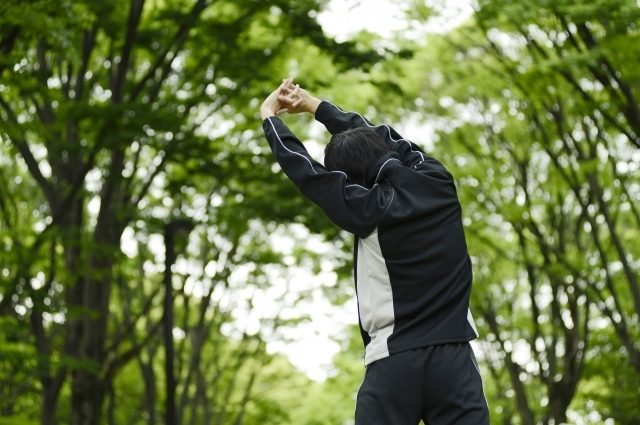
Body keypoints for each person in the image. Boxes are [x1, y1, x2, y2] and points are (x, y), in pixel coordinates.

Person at [260, 79, 490, 425]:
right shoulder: (438, 179)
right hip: (455, 358)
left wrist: (270, 119)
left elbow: (308, 174)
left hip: (394, 360)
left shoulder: (367, 208)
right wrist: (315, 106)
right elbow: (384, 136)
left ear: (352, 180)